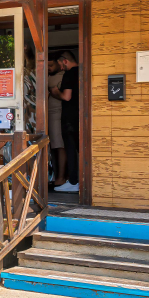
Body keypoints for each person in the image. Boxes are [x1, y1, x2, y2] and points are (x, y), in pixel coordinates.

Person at [50, 51, 80, 193]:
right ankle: (80, 181)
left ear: (65, 61)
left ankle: (74, 181)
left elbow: (67, 97)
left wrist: (56, 92)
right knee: (80, 150)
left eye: (61, 64)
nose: (61, 68)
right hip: (81, 117)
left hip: (70, 119)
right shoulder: (83, 72)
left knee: (71, 149)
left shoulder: (70, 74)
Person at [46, 57, 65, 190]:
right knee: (51, 147)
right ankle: (53, 177)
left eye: (51, 65)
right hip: (46, 115)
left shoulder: (62, 76)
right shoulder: (47, 76)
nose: (49, 68)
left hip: (57, 114)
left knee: (59, 146)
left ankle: (61, 177)